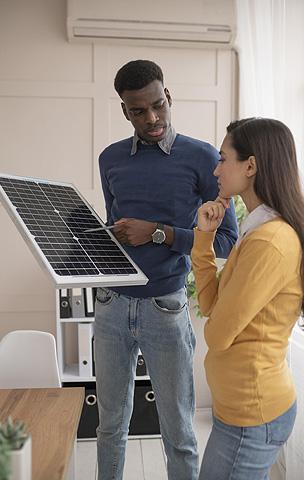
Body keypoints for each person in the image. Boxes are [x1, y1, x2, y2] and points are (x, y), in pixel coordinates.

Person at [94, 59, 238, 480]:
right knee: (109, 427)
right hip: (110, 306)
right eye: (139, 111)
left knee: (178, 432)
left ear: (168, 97)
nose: (152, 118)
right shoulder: (110, 159)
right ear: (125, 111)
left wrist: (158, 233)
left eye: (158, 105)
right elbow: (118, 230)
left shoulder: (202, 157)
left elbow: (226, 241)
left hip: (167, 310)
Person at [191, 117, 304, 480]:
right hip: (238, 410)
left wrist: (219, 319)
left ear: (250, 166)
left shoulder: (269, 241)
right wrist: (204, 239)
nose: (216, 168)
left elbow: (217, 334)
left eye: (223, 158)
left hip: (250, 415)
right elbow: (210, 307)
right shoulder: (256, 230)